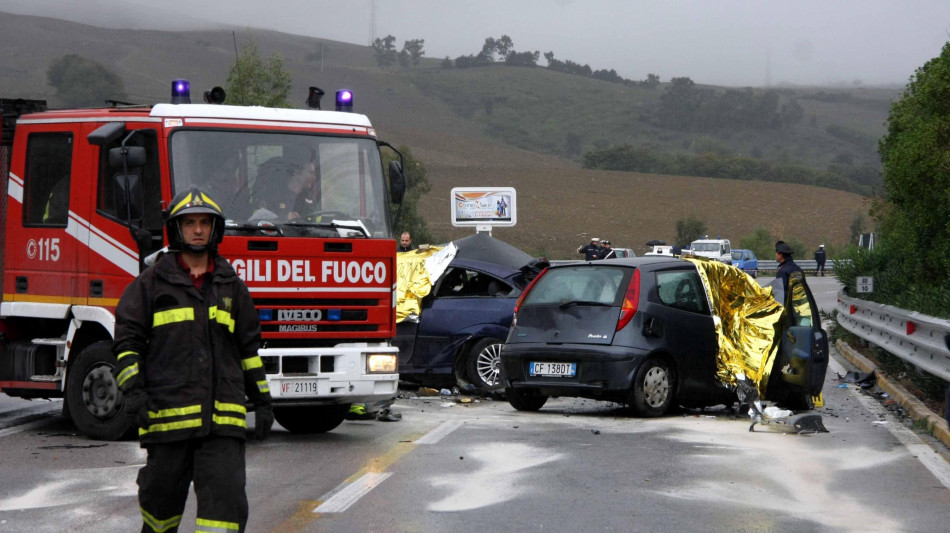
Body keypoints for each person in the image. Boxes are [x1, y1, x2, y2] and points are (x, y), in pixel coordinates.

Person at [113, 188, 273, 533]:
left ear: (215, 230)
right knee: (159, 512)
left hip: (222, 423)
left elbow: (248, 351)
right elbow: (127, 343)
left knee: (224, 512)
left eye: (204, 223)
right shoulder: (151, 285)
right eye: (189, 223)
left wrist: (262, 399)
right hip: (167, 422)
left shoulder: (233, 287)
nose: (197, 230)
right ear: (176, 229)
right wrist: (133, 393)